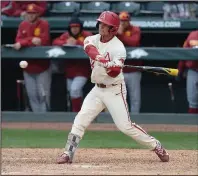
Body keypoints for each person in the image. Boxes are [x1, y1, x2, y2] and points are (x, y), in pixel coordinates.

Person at [57, 11, 169, 164]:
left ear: (113, 29)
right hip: (97, 90)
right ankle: (67, 153)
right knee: (80, 119)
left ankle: (156, 145)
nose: (101, 27)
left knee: (125, 127)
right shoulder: (91, 38)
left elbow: (115, 73)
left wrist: (111, 67)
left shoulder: (119, 48)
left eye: (105, 25)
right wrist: (103, 60)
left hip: (114, 90)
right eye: (101, 23)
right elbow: (90, 50)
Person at [13, 3, 51, 112]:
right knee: (32, 95)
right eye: (29, 13)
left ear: (37, 14)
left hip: (42, 67)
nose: (30, 15)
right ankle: (37, 121)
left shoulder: (44, 24)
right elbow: (18, 41)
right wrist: (30, 40)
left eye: (33, 13)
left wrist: (24, 42)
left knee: (43, 95)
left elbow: (43, 40)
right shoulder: (22, 25)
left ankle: (45, 119)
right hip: (28, 67)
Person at [53, 16, 93, 112]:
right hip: (70, 70)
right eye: (72, 27)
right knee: (73, 93)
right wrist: (65, 42)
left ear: (80, 27)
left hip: (82, 70)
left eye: (76, 27)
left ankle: (77, 113)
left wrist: (77, 42)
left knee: (74, 90)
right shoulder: (66, 36)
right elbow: (55, 42)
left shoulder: (87, 34)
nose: (74, 29)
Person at [116, 11, 142, 113]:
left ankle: (135, 118)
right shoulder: (113, 30)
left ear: (129, 21)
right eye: (121, 21)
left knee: (134, 97)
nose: (123, 23)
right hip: (118, 70)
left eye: (125, 21)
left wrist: (121, 34)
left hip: (133, 69)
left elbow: (134, 42)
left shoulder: (135, 29)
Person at [177, 30, 198, 114]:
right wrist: (180, 70)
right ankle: (192, 126)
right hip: (193, 70)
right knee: (192, 102)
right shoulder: (193, 35)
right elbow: (184, 54)